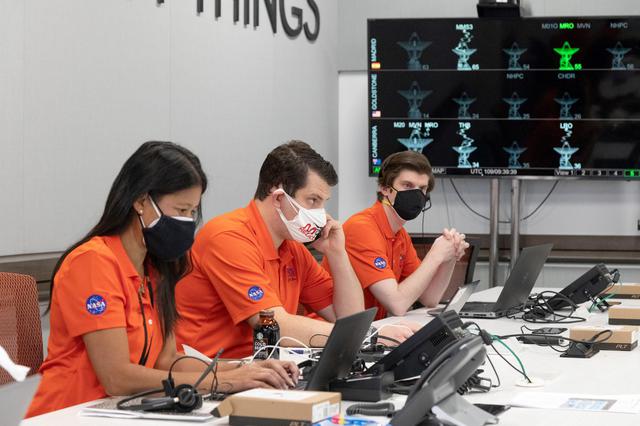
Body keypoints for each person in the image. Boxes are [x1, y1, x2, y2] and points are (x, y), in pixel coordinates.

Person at [27, 141, 298, 418]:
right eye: (181, 210)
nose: (187, 221)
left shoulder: (155, 268)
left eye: (192, 212)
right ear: (141, 201)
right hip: (68, 413)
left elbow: (168, 360)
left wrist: (247, 370)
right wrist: (225, 382)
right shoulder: (93, 262)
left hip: (125, 411)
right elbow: (117, 378)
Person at [174, 141, 418, 358]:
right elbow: (274, 325)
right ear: (279, 197)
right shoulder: (228, 236)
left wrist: (337, 254)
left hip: (264, 368)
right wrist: (369, 336)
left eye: (323, 203)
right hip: (210, 374)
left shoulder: (292, 248)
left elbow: (348, 319)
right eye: (313, 200)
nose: (321, 213)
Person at [333, 151, 468, 321]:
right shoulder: (362, 228)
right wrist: (435, 255)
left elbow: (430, 298)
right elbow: (397, 304)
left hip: (369, 328)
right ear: (385, 188)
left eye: (422, 189)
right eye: (407, 185)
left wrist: (449, 256)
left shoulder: (400, 235)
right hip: (330, 331)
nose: (416, 195)